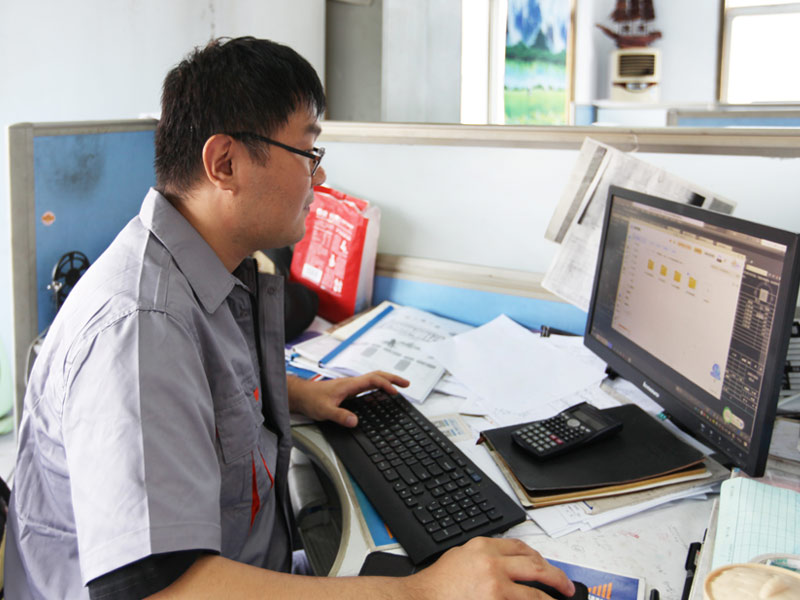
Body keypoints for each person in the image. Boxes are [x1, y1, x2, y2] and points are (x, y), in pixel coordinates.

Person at [5, 36, 575, 600]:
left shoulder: (204, 270)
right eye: (308, 152)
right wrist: (424, 593)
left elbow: (201, 388)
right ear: (225, 163)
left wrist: (298, 394)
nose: (318, 178)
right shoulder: (140, 328)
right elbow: (158, 591)